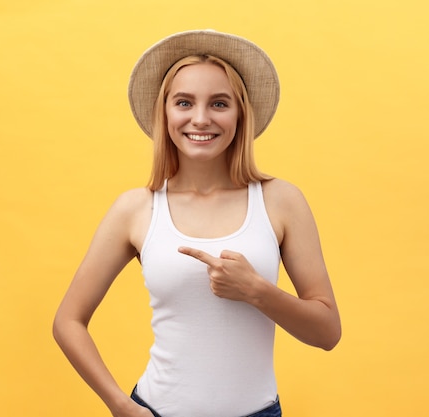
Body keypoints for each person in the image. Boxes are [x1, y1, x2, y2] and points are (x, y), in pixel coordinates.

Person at [53, 30, 341, 417]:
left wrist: (257, 291)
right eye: (184, 102)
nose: (200, 118)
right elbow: (68, 321)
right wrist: (121, 406)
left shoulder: (280, 201)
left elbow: (327, 333)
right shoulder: (136, 210)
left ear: (240, 113)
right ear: (165, 112)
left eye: (219, 103)